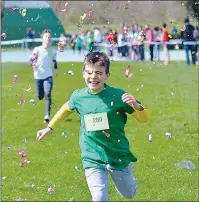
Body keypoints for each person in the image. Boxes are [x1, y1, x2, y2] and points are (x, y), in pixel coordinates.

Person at [36, 52, 149, 201]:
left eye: (98, 73)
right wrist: (49, 128)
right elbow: (65, 109)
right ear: (83, 73)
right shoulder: (78, 96)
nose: (93, 76)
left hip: (117, 153)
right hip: (92, 155)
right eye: (89, 72)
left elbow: (144, 119)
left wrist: (137, 106)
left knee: (129, 193)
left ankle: (125, 181)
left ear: (107, 75)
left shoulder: (118, 95)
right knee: (99, 197)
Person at [29, 29, 58, 123]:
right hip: (38, 76)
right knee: (40, 96)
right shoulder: (37, 50)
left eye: (49, 37)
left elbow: (54, 61)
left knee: (48, 93)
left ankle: (47, 115)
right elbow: (31, 60)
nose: (48, 38)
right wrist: (33, 64)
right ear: (42, 39)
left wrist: (56, 70)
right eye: (46, 37)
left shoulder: (53, 51)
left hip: (48, 76)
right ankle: (40, 95)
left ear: (51, 39)